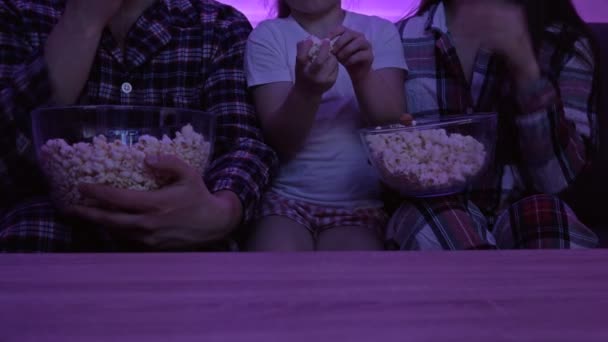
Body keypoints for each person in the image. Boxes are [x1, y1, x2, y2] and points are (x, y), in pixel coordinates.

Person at [0, 0, 278, 252]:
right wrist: (83, 20)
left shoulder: (219, 27)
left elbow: (243, 143)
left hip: (183, 231)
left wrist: (222, 211)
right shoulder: (20, 15)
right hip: (48, 229)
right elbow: (9, 162)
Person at [387, 0, 600, 250]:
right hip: (431, 210)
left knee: (549, 219)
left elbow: (560, 181)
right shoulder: (397, 39)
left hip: (530, 208)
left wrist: (526, 71)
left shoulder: (562, 45)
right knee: (432, 221)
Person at [243, 0, 407, 251]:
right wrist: (306, 91)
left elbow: (392, 128)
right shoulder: (268, 36)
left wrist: (362, 74)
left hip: (360, 206)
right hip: (285, 200)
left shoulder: (379, 32)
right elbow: (281, 142)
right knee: (274, 271)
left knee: (348, 280)